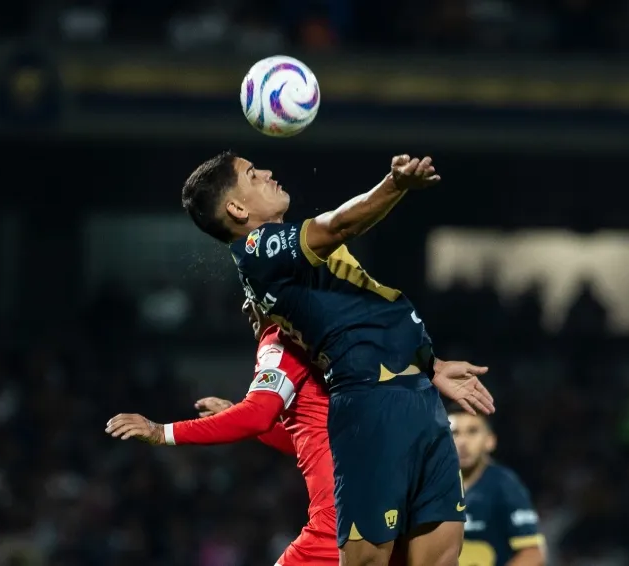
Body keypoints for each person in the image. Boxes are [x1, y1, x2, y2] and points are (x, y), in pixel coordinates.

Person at [179, 150, 485, 566]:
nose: (268, 172)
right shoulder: (259, 247)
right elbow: (341, 223)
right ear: (236, 207)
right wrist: (394, 185)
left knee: (440, 556)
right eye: (253, 174)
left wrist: (428, 365)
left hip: (414, 396)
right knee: (368, 560)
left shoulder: (289, 261)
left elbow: (364, 309)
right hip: (371, 402)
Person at [107, 298, 494, 565]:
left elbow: (257, 414)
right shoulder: (335, 347)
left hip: (341, 521)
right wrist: (248, 423)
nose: (245, 306)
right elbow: (315, 442)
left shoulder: (281, 339)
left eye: (251, 294)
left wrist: (162, 432)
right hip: (392, 511)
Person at [448, 406, 546, 566]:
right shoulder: (428, 486)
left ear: (490, 441)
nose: (463, 442)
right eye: (454, 433)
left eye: (472, 431)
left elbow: (533, 553)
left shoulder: (504, 485)